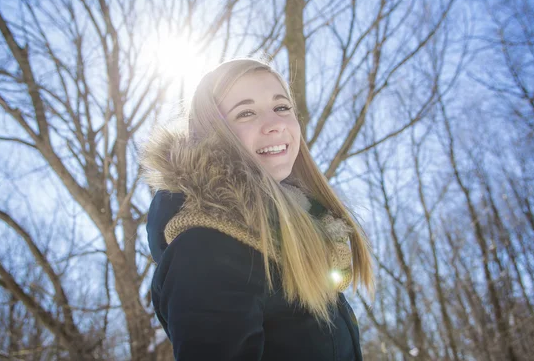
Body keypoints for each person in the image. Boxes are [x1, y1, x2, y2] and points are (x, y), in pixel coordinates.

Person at [140, 58, 374, 360]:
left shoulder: (301, 237)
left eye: (281, 107)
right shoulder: (208, 249)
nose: (275, 124)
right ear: (212, 135)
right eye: (246, 113)